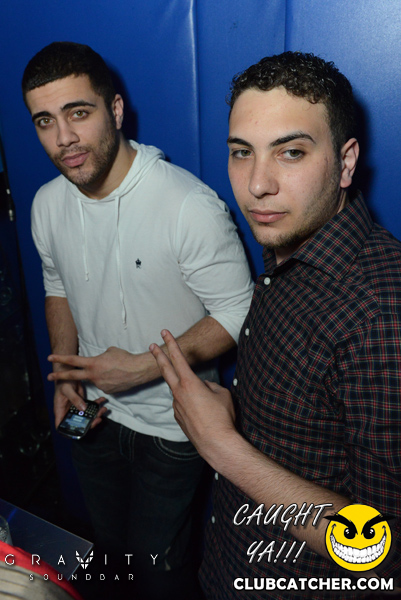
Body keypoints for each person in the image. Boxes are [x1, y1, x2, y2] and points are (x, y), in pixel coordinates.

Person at [150, 51, 401, 599]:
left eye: (291, 152)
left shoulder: (382, 314)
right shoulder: (288, 250)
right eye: (242, 152)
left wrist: (221, 445)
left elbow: (386, 553)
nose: (257, 185)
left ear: (346, 162)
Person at [22, 41, 254, 600]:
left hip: (175, 425)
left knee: (158, 568)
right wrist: (67, 373)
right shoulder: (47, 204)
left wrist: (144, 368)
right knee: (109, 551)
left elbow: (240, 311)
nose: (64, 138)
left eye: (79, 112)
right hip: (93, 415)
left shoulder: (187, 205)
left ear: (116, 110)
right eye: (45, 121)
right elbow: (58, 289)